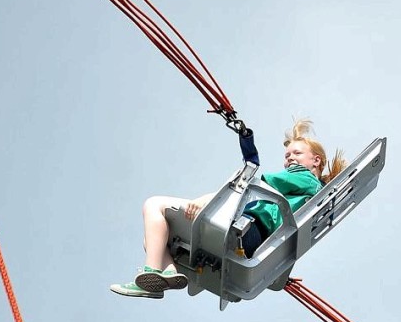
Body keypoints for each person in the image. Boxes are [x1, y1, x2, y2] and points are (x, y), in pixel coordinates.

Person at [110, 119, 345, 299]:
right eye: (287, 155)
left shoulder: (304, 177)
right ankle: (167, 272)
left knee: (154, 205)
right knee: (153, 238)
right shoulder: (309, 195)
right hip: (252, 239)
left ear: (316, 160)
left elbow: (248, 185)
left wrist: (205, 201)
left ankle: (154, 270)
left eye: (296, 153)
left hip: (245, 230)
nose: (289, 159)